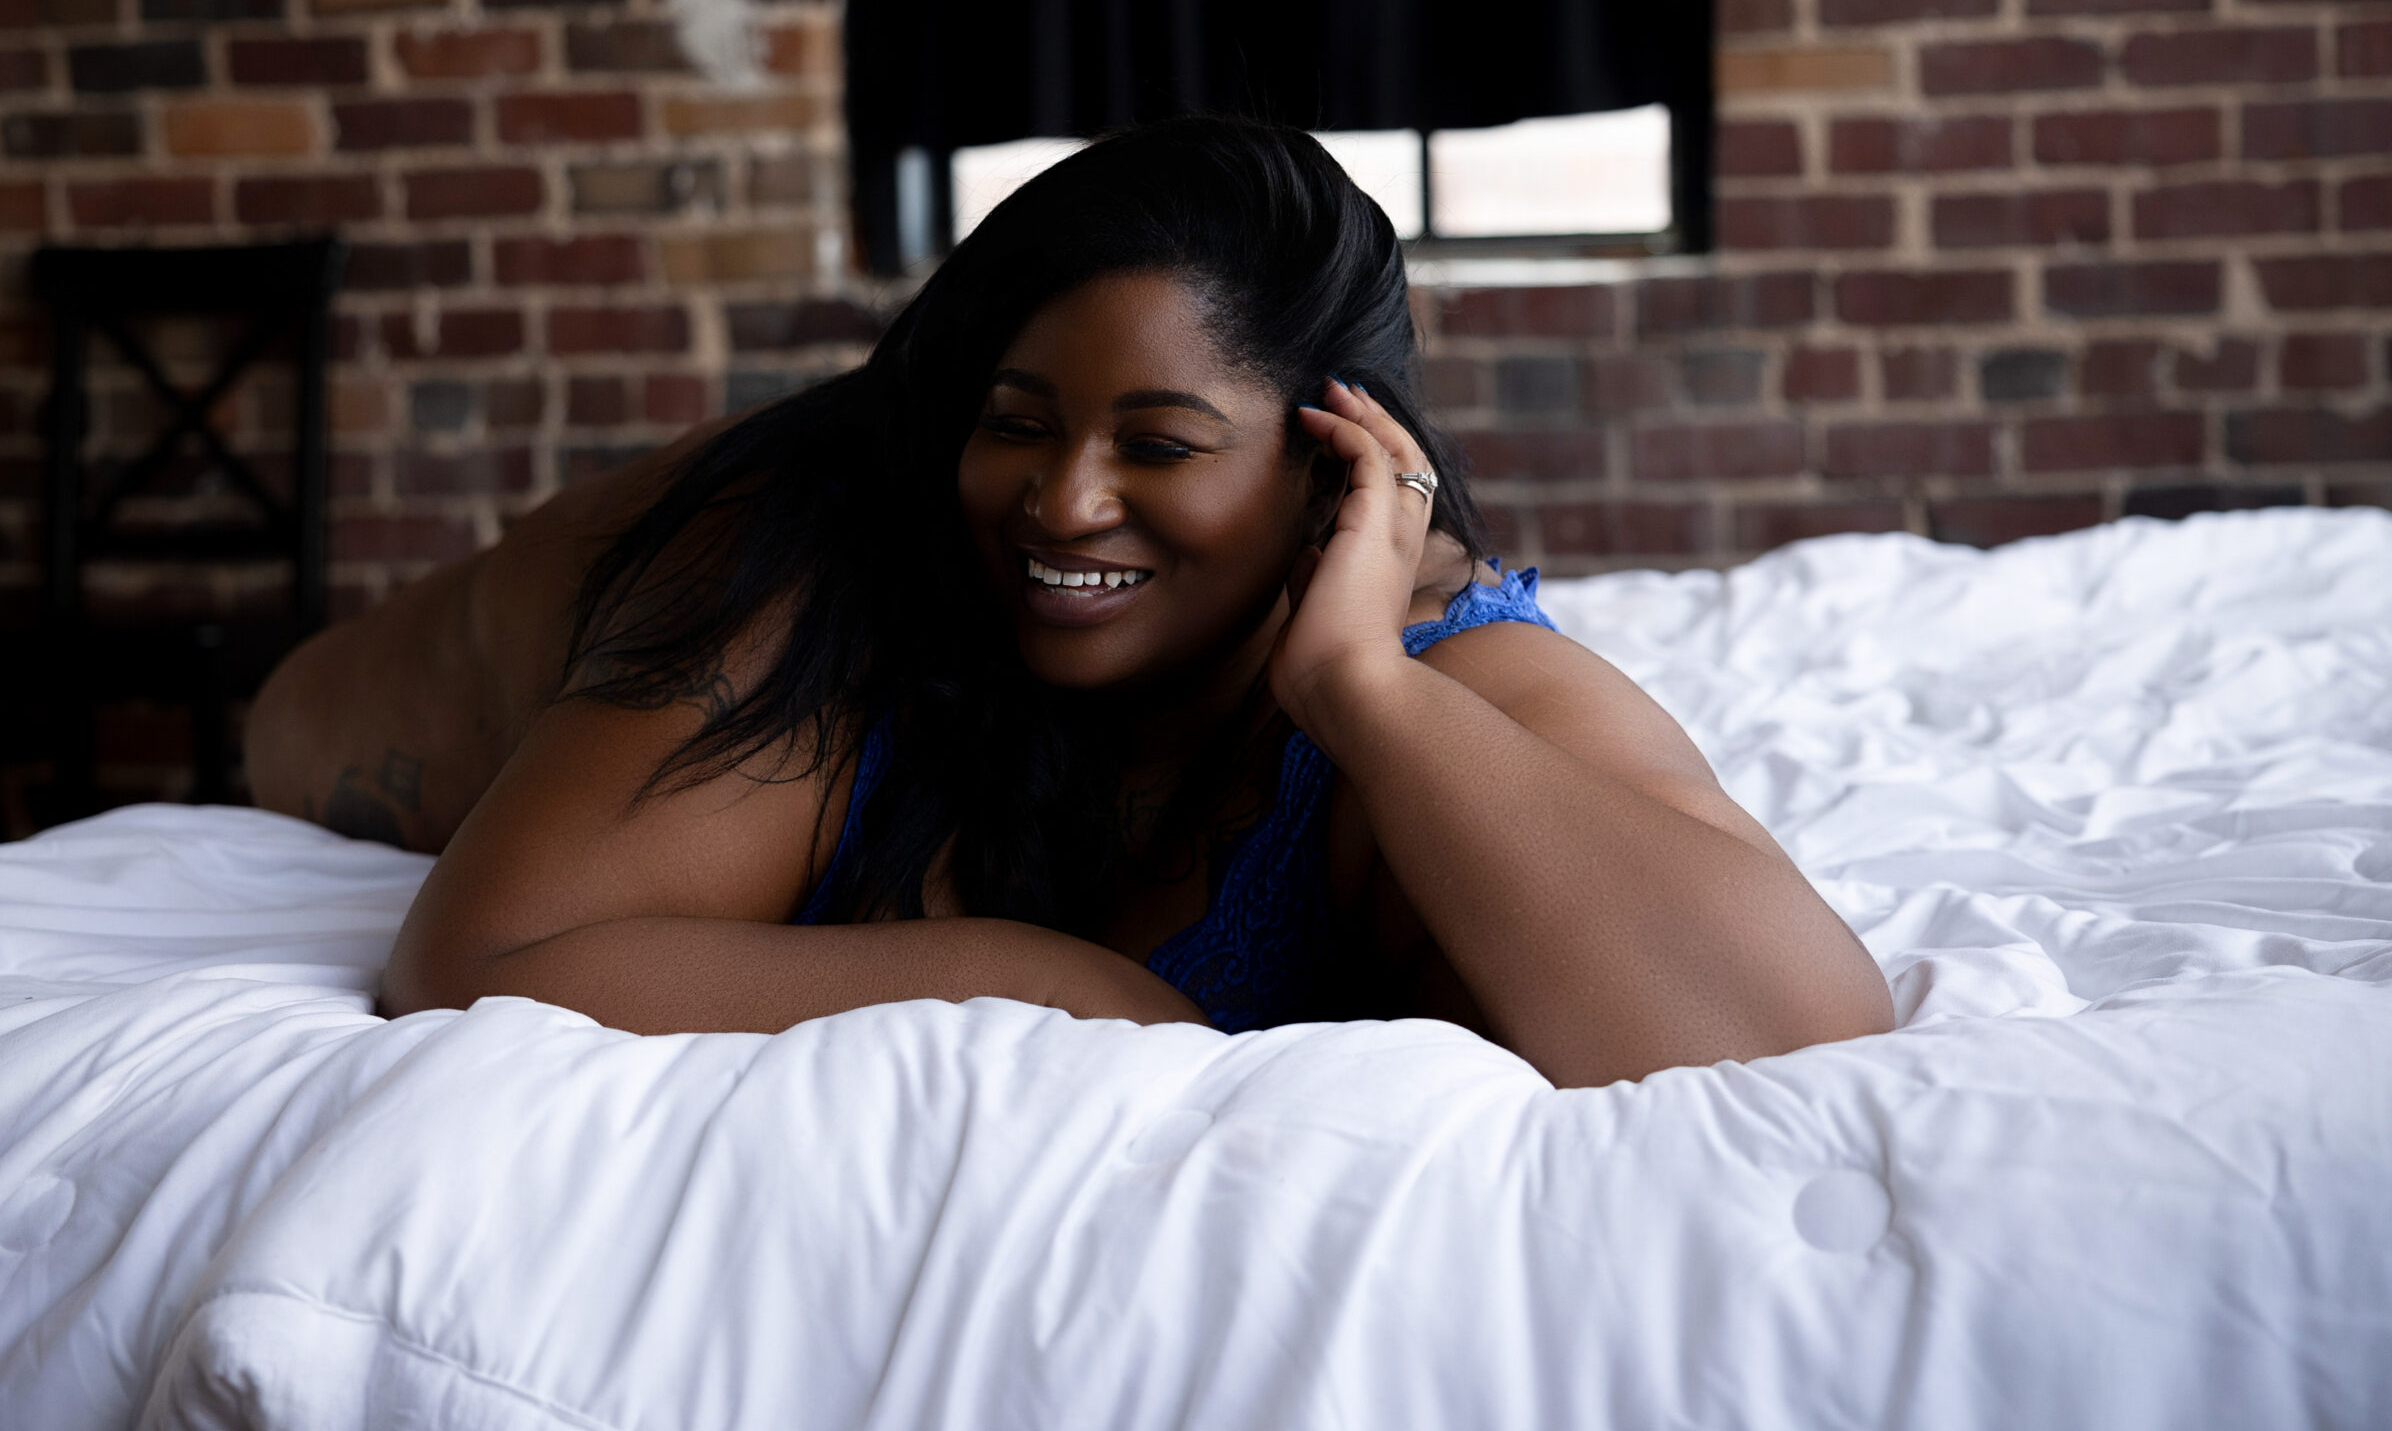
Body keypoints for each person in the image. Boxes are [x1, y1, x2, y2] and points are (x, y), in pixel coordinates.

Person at [246, 116, 1893, 1088]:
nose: (1062, 499)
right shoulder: (830, 563)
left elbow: (1795, 1026)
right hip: (435, 684)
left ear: (1333, 472)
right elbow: (473, 962)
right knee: (284, 732)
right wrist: (1056, 981)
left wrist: (1364, 697)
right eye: (1019, 420)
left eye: (1160, 444)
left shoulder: (1436, 661)